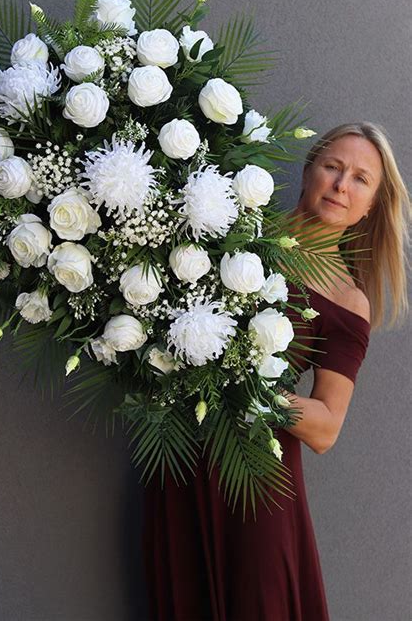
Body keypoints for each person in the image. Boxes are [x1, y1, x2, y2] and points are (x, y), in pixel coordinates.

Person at [142, 122, 410, 621]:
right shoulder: (237, 228)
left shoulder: (348, 302)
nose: (340, 185)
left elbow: (327, 426)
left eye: (360, 179)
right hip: (180, 455)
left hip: (257, 479)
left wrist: (242, 382)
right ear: (308, 171)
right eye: (332, 167)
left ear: (371, 205)